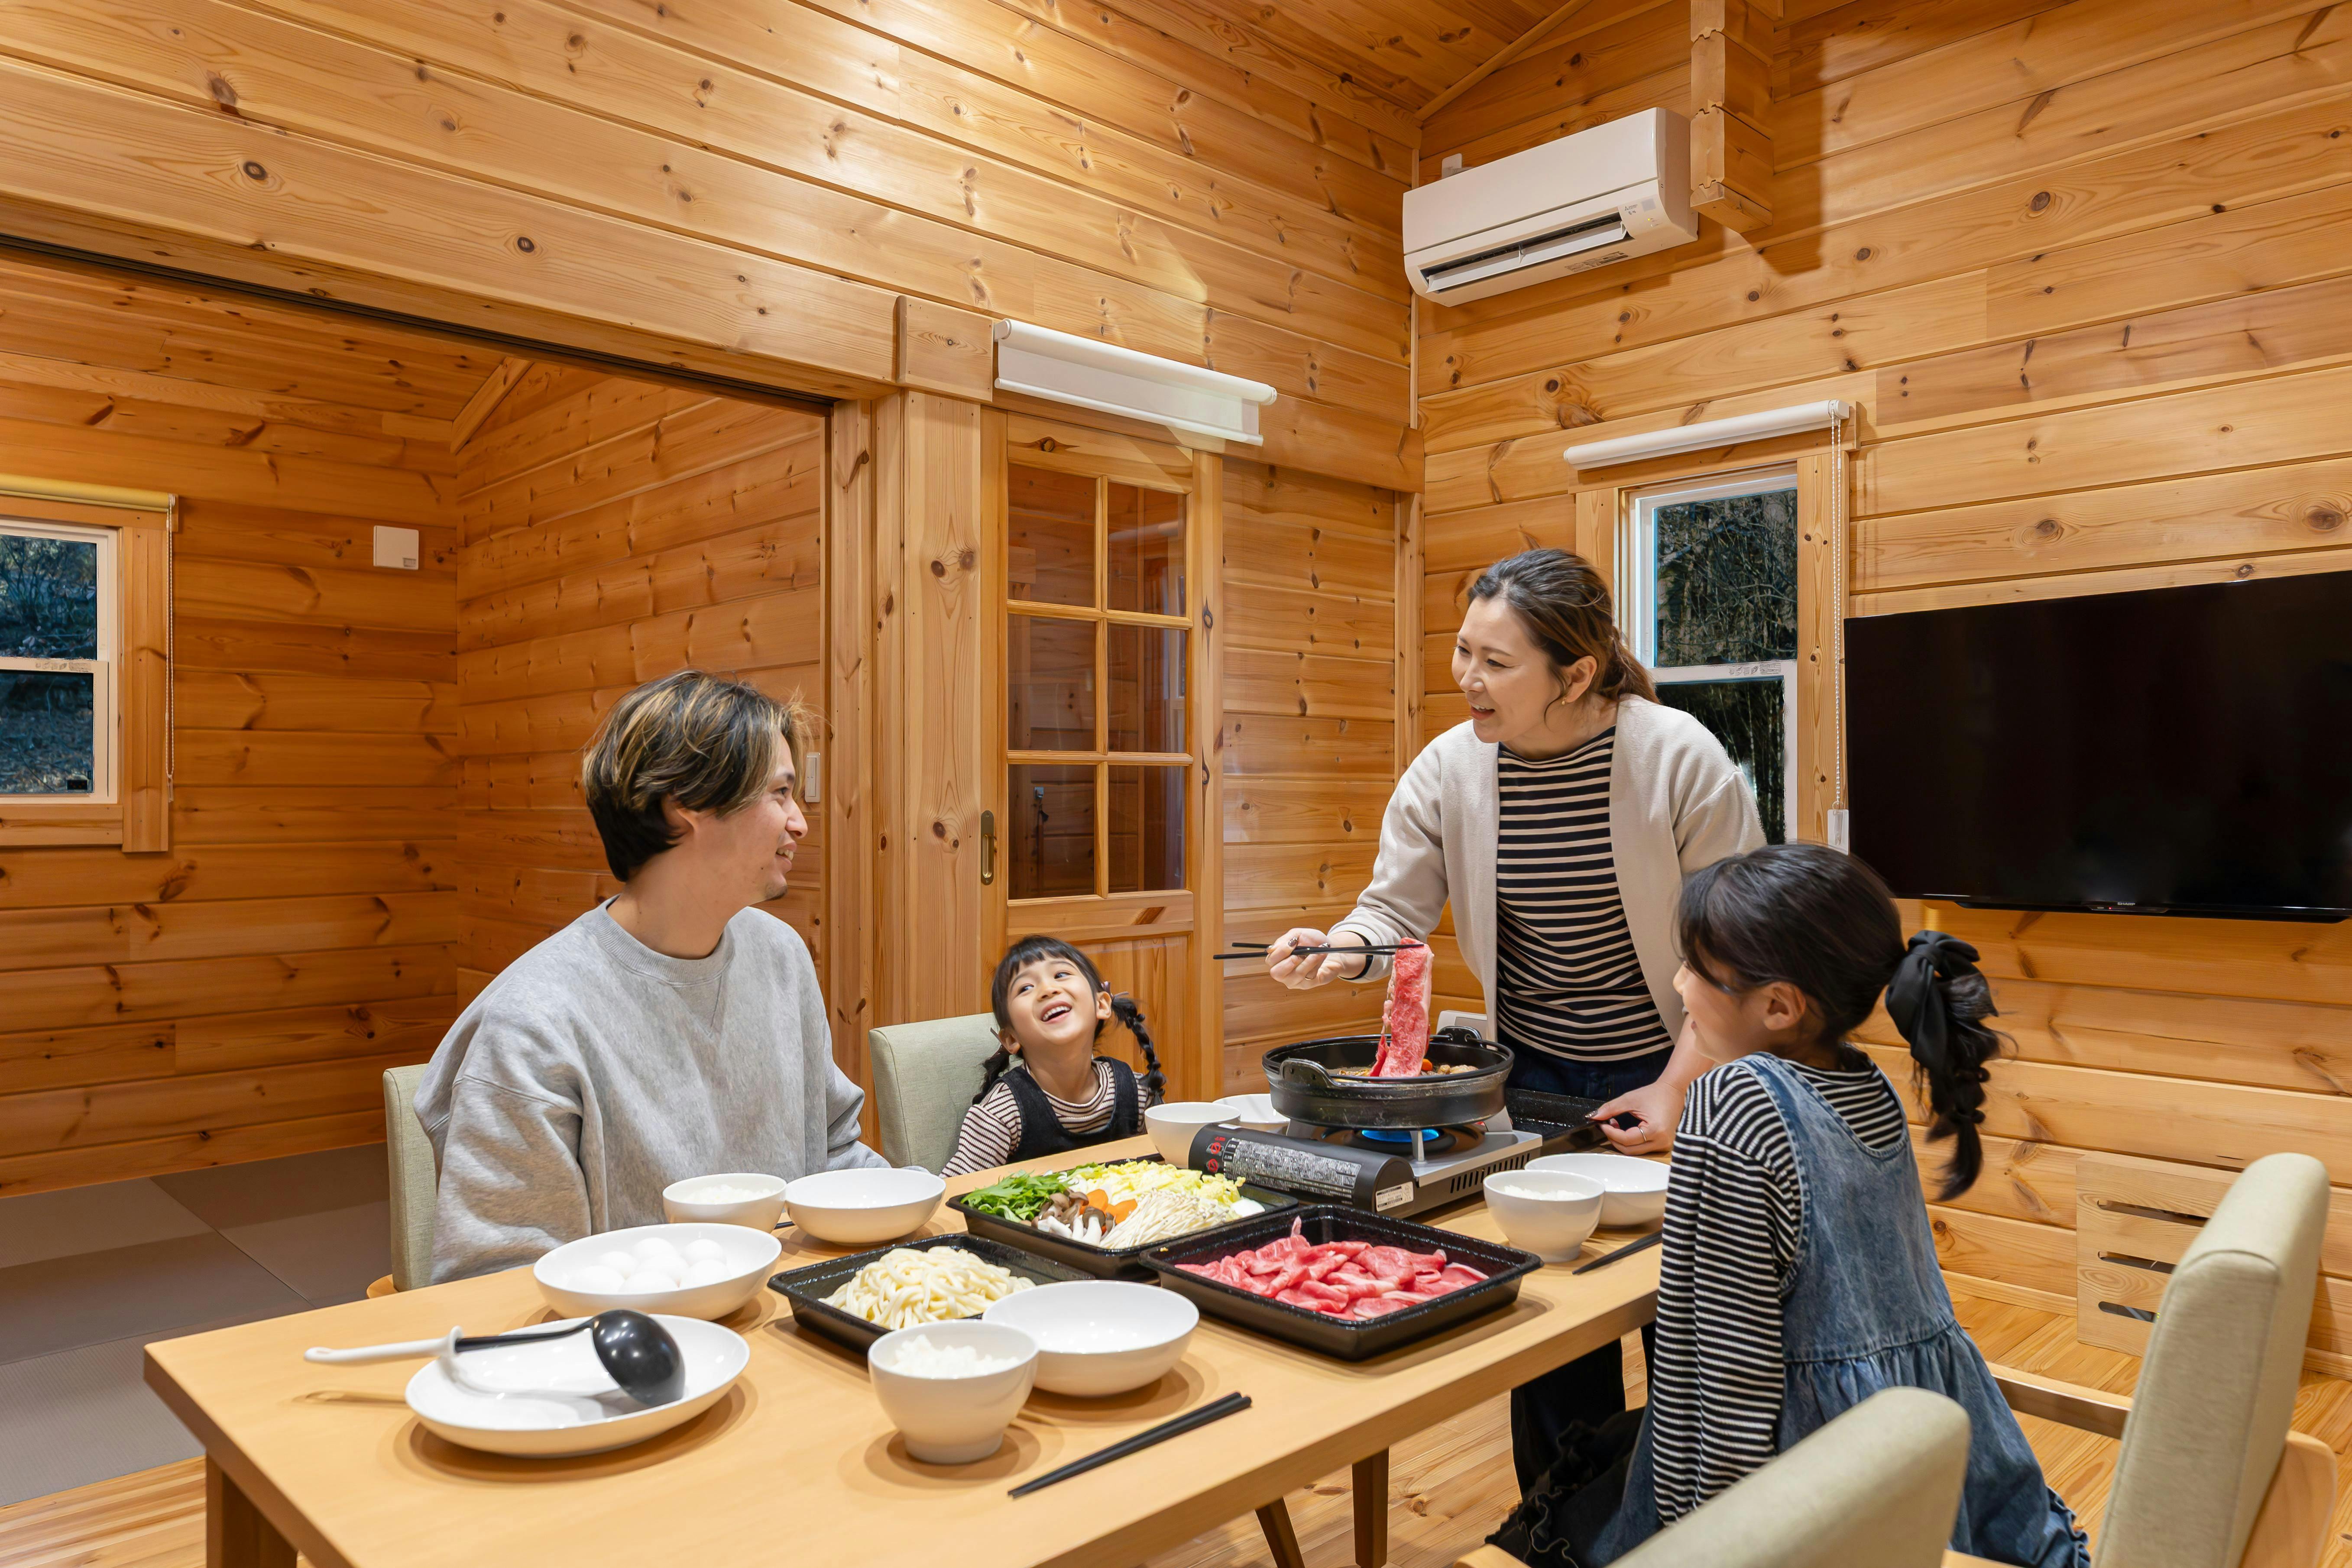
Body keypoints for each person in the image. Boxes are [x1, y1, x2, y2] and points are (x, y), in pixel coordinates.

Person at [1263, 547, 1763, 1484]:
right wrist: (1341, 946)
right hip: (1531, 1077)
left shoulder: (1677, 756)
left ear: (1575, 675)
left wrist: (1675, 1086)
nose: (1468, 678)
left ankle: (1705, 1520)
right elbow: (1392, 912)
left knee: (1687, 1322)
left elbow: (1734, 955)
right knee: (1554, 1319)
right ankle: (1560, 1523)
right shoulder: (1450, 767)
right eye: (1464, 651)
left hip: (1684, 1066)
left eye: (1496, 662)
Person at [1490, 843, 2087, 1568]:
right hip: (1917, 1457)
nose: (1677, 984)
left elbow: (1728, 1381)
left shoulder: (1735, 1099)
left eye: (1695, 968)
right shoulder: (1864, 1079)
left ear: (1778, 1006)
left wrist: (1699, 1544)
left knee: (1535, 1530)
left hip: (1809, 1480)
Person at [415, 670, 888, 1282]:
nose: (799, 822)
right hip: (628, 1335)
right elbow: (500, 1279)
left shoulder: (781, 955)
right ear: (686, 804)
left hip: (787, 1312)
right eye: (779, 793)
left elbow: (833, 1153)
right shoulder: (535, 1020)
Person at [940, 936, 1167, 1177]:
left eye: (1061, 975)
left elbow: (1170, 1168)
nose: (1048, 990)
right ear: (1011, 1039)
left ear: (1101, 1004)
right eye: (1025, 988)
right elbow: (954, 1192)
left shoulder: (1137, 1091)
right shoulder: (1002, 1113)